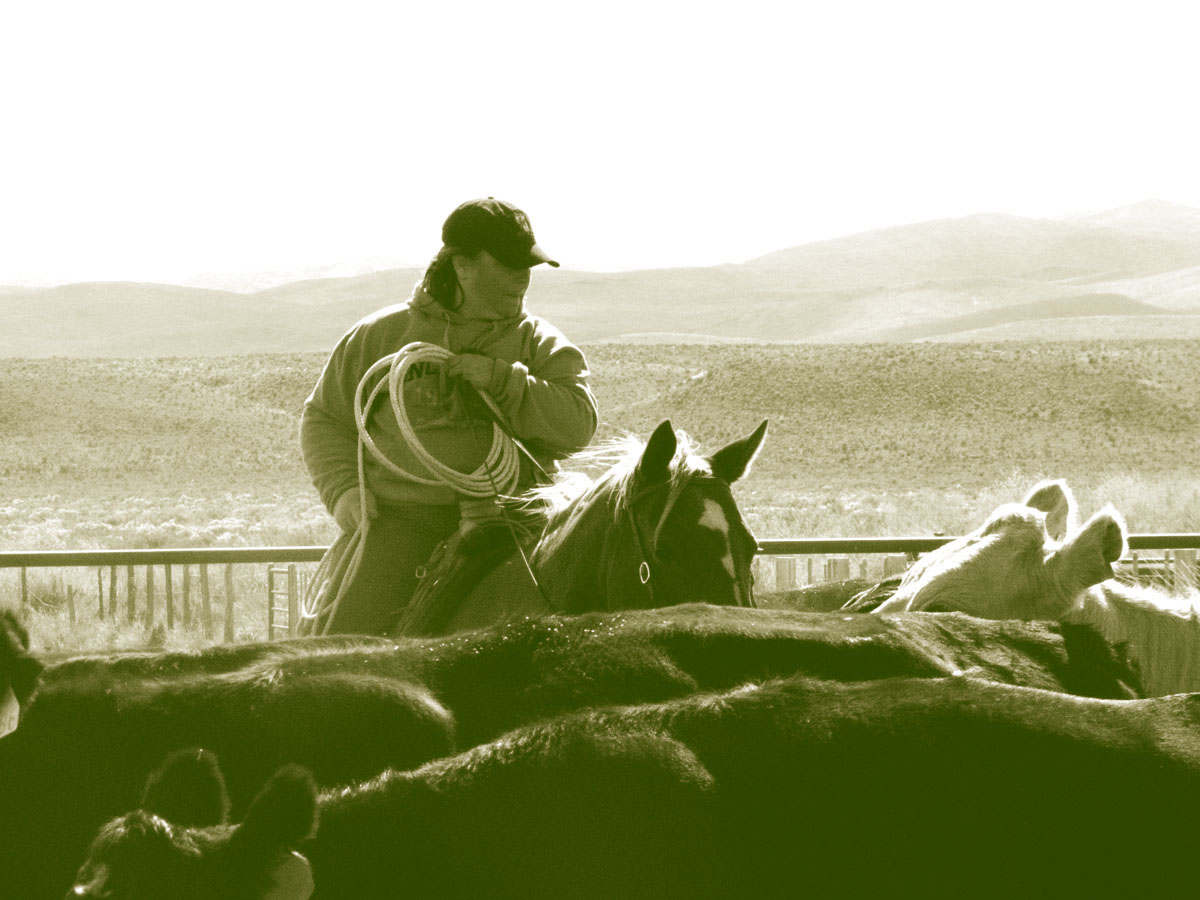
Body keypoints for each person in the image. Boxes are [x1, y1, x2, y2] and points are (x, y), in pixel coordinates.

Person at [300, 198, 599, 635]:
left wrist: (504, 381)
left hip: (518, 521)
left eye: (528, 265)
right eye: (510, 263)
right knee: (347, 646)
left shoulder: (539, 344)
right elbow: (324, 419)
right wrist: (344, 491)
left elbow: (578, 425)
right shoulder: (381, 336)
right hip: (404, 521)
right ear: (462, 264)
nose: (523, 276)